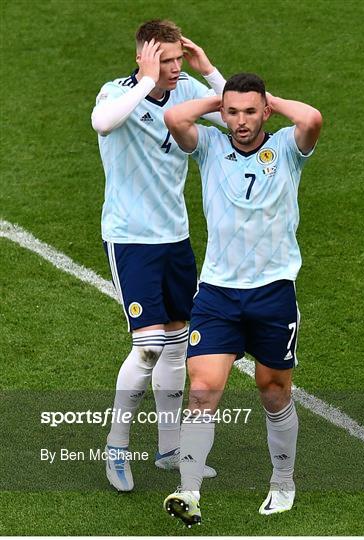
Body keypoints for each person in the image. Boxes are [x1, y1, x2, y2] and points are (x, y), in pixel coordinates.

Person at [162, 73, 322, 526]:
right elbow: (175, 115)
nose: (240, 121)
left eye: (250, 112)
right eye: (232, 112)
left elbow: (311, 118)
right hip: (217, 295)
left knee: (274, 391)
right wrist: (223, 99)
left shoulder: (288, 149)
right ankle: (189, 491)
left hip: (273, 293)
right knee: (202, 390)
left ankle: (283, 481)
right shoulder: (211, 147)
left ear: (266, 111)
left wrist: (267, 99)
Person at [91, 19, 226, 491]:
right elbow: (102, 123)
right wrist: (147, 81)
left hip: (175, 238)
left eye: (176, 59)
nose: (173, 68)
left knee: (177, 342)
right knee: (147, 347)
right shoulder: (117, 93)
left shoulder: (187, 87)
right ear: (143, 59)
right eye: (163, 60)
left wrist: (206, 70)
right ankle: (117, 446)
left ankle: (170, 449)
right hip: (131, 239)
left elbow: (240, 113)